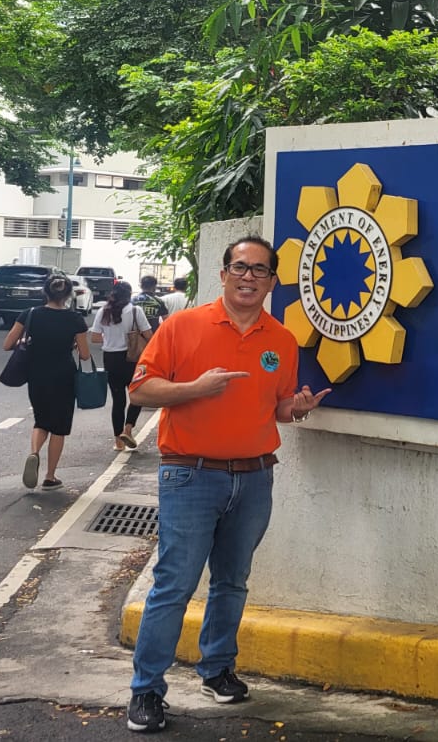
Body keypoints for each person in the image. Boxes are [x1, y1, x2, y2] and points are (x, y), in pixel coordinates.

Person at [124, 236, 330, 734]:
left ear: (272, 282)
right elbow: (141, 389)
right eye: (240, 267)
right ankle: (146, 690)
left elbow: (278, 407)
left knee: (233, 581)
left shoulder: (281, 340)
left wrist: (297, 408)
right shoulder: (183, 325)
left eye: (260, 270)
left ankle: (217, 670)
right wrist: (195, 388)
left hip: (254, 477)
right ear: (223, 274)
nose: (248, 277)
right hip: (190, 474)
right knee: (175, 584)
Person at [1, 273, 91, 490]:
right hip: (64, 376)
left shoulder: (30, 314)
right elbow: (85, 355)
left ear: (45, 292)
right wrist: (72, 344)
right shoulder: (75, 319)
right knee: (59, 427)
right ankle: (50, 477)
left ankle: (34, 453)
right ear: (68, 295)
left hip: (37, 374)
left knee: (41, 420)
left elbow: (7, 344)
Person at [89, 281, 151, 451]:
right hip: (132, 359)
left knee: (118, 400)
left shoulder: (103, 311)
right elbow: (148, 335)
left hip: (111, 359)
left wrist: (110, 338)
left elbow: (95, 337)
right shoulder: (135, 310)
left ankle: (118, 441)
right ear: (129, 295)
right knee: (137, 395)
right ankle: (128, 429)